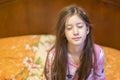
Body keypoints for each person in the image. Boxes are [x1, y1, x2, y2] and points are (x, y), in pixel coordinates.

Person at [44, 5, 106, 80]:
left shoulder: (97, 53)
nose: (75, 32)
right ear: (64, 33)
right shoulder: (53, 56)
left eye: (80, 26)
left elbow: (100, 78)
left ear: (87, 29)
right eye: (69, 28)